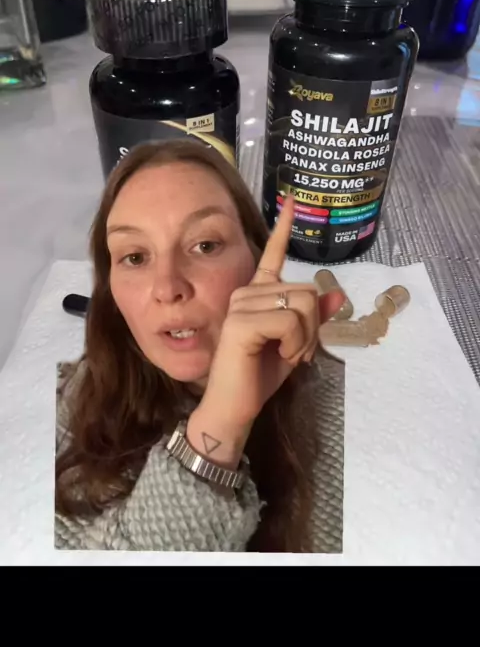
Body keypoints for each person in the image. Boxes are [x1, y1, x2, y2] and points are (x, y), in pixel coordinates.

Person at [55, 140, 344, 552]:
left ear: (256, 258)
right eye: (135, 257)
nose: (168, 288)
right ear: (111, 291)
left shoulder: (344, 414)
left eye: (205, 245)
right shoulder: (68, 410)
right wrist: (220, 427)